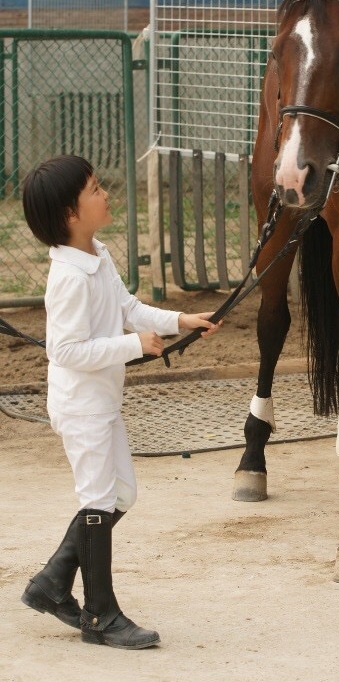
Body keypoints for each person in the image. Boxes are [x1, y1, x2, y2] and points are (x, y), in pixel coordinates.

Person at [20, 154, 220, 649]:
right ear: (70, 213)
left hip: (103, 402)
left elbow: (128, 307)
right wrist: (133, 346)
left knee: (122, 496)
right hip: (81, 407)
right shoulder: (69, 277)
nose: (105, 194)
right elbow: (66, 351)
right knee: (97, 500)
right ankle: (100, 616)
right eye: (94, 189)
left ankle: (51, 581)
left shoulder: (97, 254)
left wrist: (179, 321)